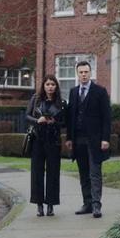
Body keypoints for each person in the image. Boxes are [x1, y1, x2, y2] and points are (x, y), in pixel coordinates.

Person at [64, 61, 111, 218]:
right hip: (78, 139)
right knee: (83, 173)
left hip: (95, 140)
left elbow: (107, 118)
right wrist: (69, 137)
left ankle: (97, 205)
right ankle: (87, 203)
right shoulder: (73, 92)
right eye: (81, 72)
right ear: (77, 74)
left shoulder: (100, 91)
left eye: (86, 72)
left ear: (91, 73)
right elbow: (71, 116)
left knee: (94, 173)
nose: (83, 74)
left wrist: (105, 139)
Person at [25, 74, 66, 216]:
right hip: (38, 139)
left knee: (53, 173)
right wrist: (38, 120)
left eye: (53, 84)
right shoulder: (36, 99)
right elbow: (27, 116)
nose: (50, 87)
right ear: (43, 86)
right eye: (48, 84)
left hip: (53, 141)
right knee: (37, 172)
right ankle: (39, 205)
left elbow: (65, 122)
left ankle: (51, 205)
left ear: (56, 86)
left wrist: (54, 122)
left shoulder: (61, 102)